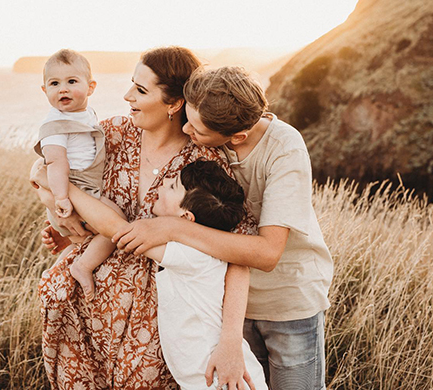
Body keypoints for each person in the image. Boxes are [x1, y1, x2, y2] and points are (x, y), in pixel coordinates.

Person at [36, 48, 258, 390]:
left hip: (158, 328)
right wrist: (69, 228)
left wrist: (230, 341)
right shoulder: (108, 135)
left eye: (141, 91)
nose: (127, 97)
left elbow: (235, 256)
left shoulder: (204, 162)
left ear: (173, 104)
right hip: (86, 307)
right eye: (130, 86)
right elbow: (45, 169)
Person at [113, 66, 334, 390]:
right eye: (187, 117)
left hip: (288, 303)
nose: (186, 129)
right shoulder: (208, 142)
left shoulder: (284, 148)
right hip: (228, 304)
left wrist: (173, 229)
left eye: (197, 129)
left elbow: (267, 253)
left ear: (238, 136)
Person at [38, 159, 268, 390]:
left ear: (186, 219)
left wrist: (62, 188)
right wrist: (72, 238)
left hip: (223, 379)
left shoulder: (191, 253)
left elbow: (117, 229)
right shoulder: (204, 249)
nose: (165, 181)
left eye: (173, 186)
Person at [30, 48, 125, 301]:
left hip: (84, 187)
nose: (63, 89)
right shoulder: (55, 126)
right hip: (72, 189)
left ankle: (69, 266)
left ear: (91, 87)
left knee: (87, 237)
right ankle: (82, 267)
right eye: (54, 83)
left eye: (72, 82)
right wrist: (62, 199)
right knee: (115, 224)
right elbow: (55, 161)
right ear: (44, 91)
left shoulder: (87, 114)